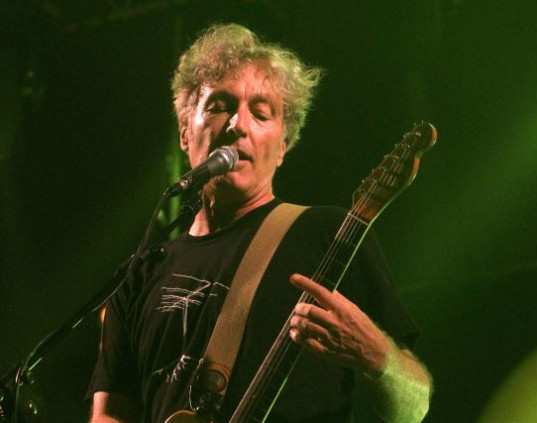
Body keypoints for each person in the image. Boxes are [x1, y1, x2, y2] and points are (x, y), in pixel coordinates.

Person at [87, 23, 432, 423]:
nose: (238, 124)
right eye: (219, 106)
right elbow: (110, 414)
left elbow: (415, 407)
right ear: (184, 132)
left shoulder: (328, 235)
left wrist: (379, 357)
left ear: (283, 145)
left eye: (261, 112)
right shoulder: (139, 275)